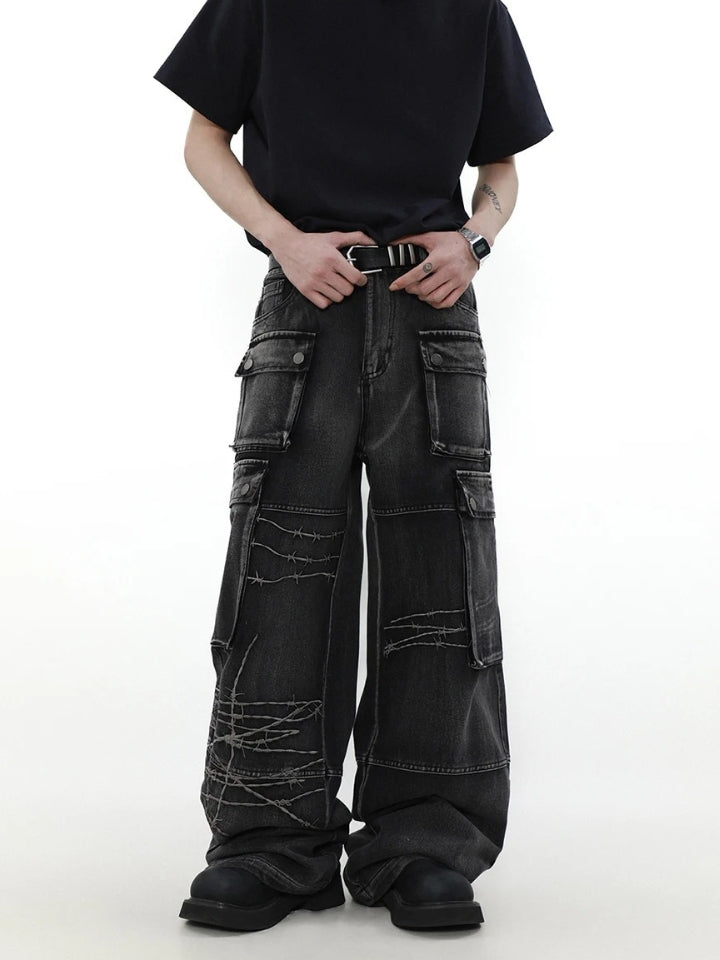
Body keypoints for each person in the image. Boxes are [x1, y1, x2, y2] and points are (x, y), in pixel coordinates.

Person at [153, 0, 553, 933]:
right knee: (280, 571)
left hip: (433, 309)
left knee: (444, 577)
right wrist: (284, 240)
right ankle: (270, 844)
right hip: (306, 301)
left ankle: (426, 844)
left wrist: (475, 241)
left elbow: (500, 169)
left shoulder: (471, 9)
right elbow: (204, 140)